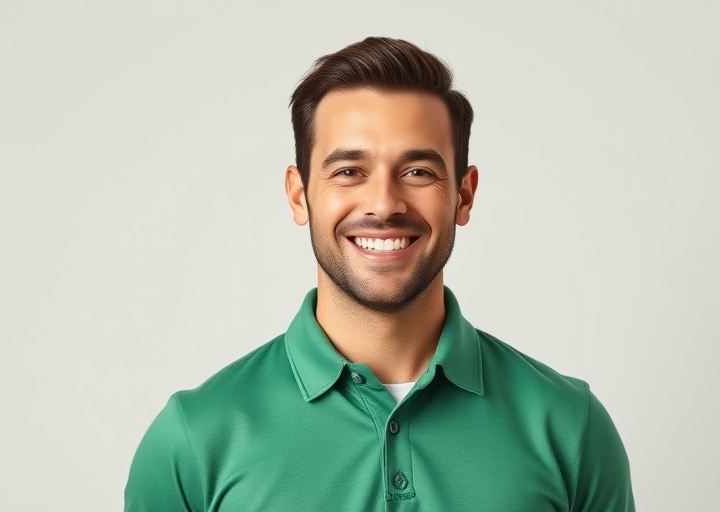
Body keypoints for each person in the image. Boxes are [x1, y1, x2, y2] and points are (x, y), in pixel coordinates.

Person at [124, 36, 635, 511]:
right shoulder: (194, 440)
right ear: (300, 194)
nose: (384, 204)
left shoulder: (571, 428)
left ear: (463, 194)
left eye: (418, 172)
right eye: (349, 171)